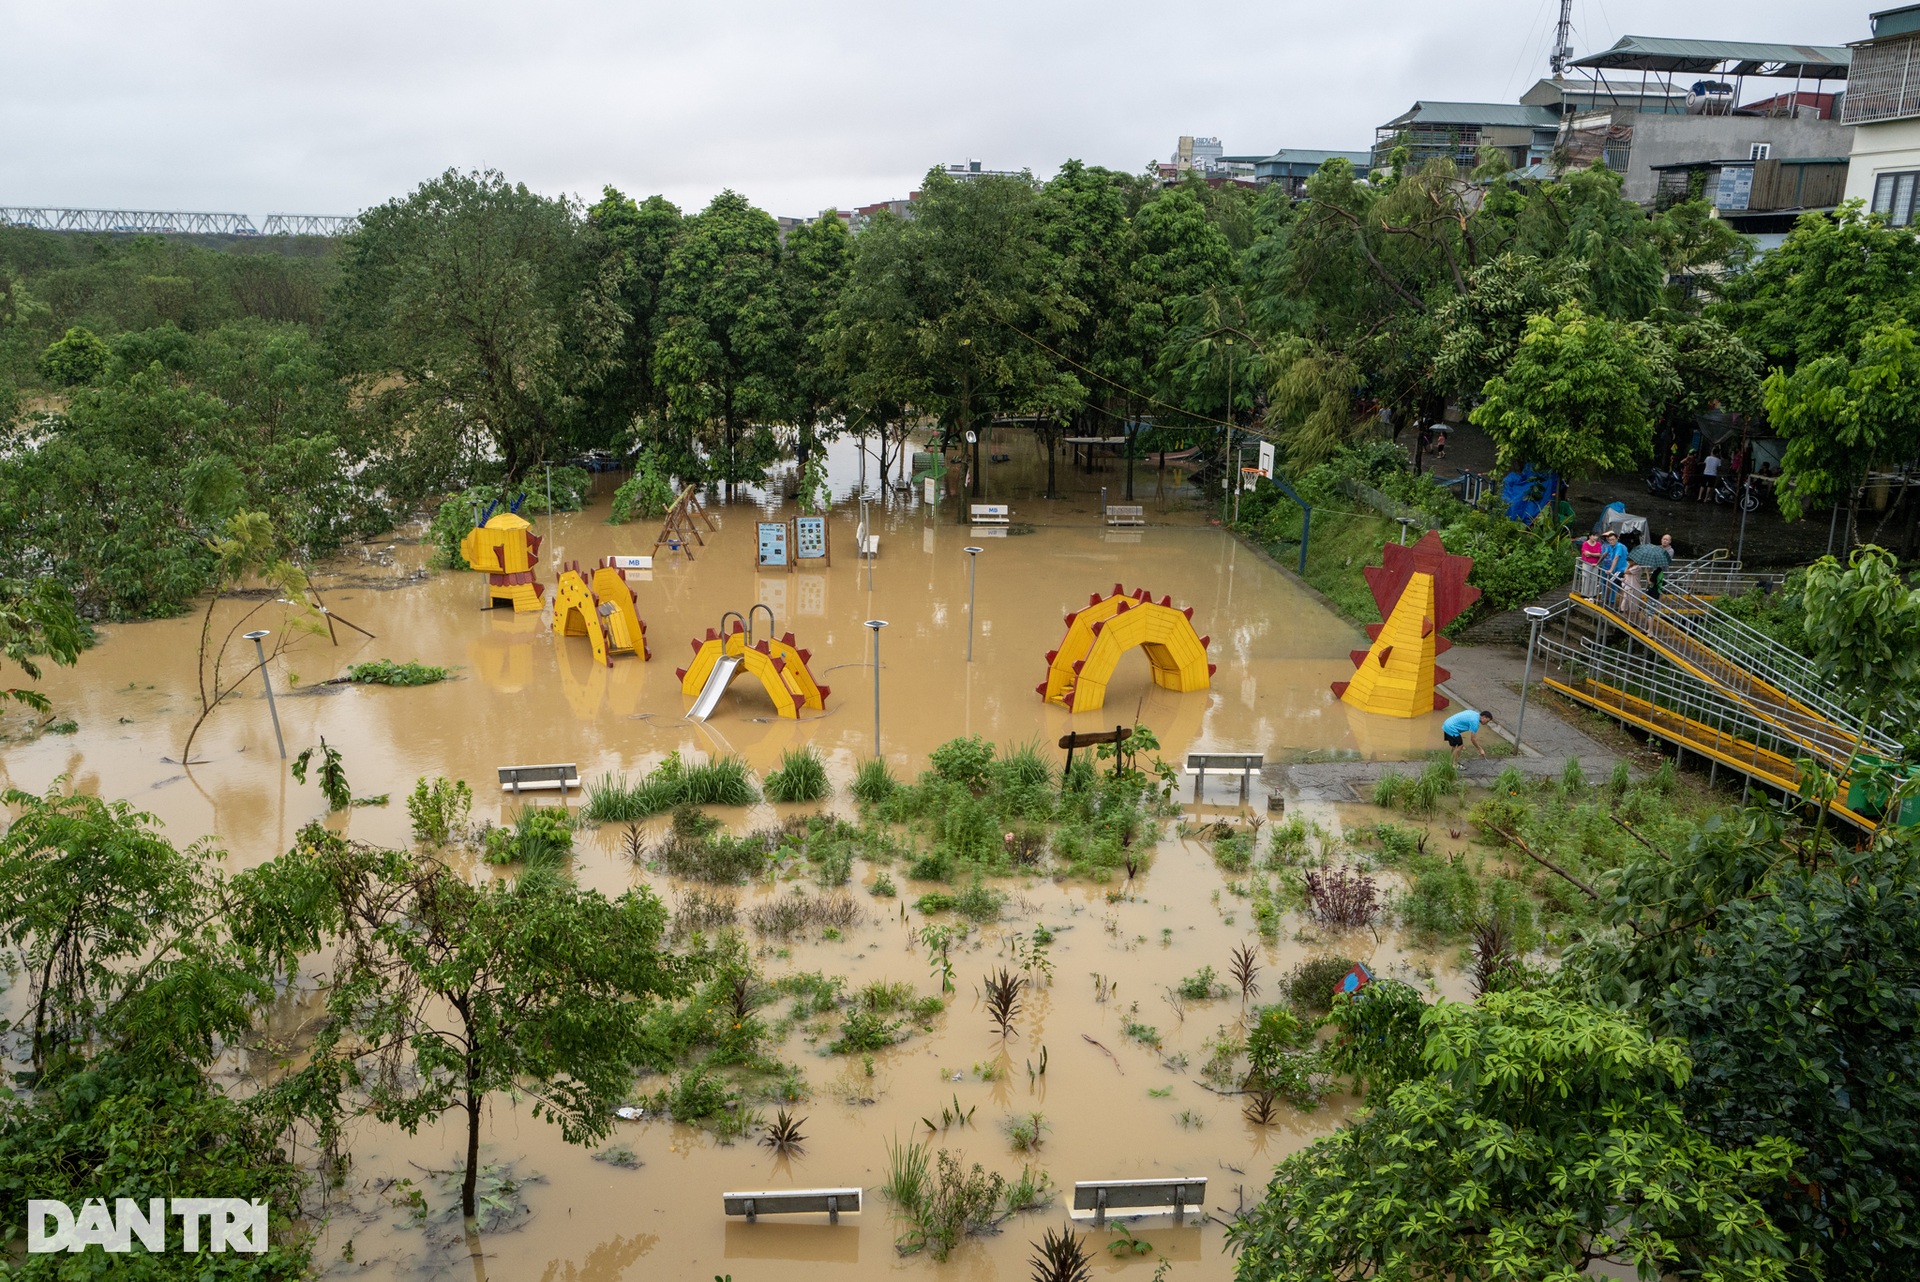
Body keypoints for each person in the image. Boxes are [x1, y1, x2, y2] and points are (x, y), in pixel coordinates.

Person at [1600, 530, 1629, 605]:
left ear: (1617, 539)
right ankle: (1625, 603)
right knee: (1619, 587)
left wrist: (1610, 570)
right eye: (1609, 540)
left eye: (1613, 539)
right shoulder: (1609, 546)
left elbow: (1616, 558)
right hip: (1617, 569)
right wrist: (1597, 563)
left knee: (1609, 582)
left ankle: (1605, 600)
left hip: (1621, 569)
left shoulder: (1619, 546)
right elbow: (1604, 554)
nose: (1611, 541)